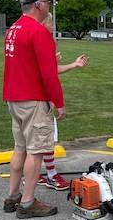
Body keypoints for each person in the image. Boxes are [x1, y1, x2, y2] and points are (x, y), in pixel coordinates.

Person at [2, 0, 65, 219]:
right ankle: (28, 202)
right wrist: (59, 103)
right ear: (38, 4)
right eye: (47, 1)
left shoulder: (13, 29)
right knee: (36, 151)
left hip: (14, 97)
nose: (49, 5)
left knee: (20, 148)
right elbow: (49, 75)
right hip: (33, 99)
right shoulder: (39, 32)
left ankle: (12, 196)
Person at [37, 14, 89, 191]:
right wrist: (56, 101)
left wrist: (74, 65)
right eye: (51, 23)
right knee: (46, 140)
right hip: (39, 100)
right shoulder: (42, 40)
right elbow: (48, 75)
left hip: (23, 99)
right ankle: (51, 176)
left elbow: (51, 70)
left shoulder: (35, 40)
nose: (53, 27)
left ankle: (37, 175)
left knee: (33, 142)